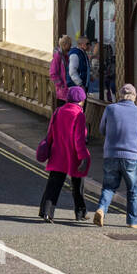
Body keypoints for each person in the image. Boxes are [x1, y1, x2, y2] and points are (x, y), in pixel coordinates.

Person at [93, 84, 137, 228]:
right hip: (131, 156)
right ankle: (134, 221)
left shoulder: (110, 109)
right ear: (134, 97)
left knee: (109, 187)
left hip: (110, 154)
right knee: (133, 189)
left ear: (120, 96)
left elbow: (102, 129)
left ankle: (101, 209)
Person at [37, 86, 91, 222]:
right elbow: (79, 140)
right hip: (74, 155)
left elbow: (50, 133)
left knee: (53, 184)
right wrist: (83, 157)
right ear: (81, 101)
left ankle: (46, 212)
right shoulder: (79, 115)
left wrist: (47, 146)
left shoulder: (58, 111)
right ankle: (80, 213)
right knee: (78, 186)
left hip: (58, 153)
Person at [49, 35, 71, 110]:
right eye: (69, 44)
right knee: (62, 110)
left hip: (67, 88)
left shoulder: (66, 56)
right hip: (62, 89)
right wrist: (60, 84)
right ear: (64, 45)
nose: (71, 46)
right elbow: (53, 73)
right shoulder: (58, 56)